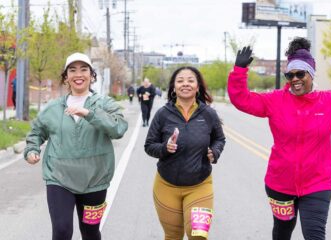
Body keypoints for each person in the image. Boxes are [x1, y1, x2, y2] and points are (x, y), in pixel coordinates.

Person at [228, 38, 331, 240]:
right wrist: (239, 71)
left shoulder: (330, 101)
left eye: (300, 74)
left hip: (317, 183)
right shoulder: (274, 101)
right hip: (280, 183)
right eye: (290, 75)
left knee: (314, 235)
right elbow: (242, 100)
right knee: (282, 234)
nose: (295, 79)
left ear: (311, 74)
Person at [24, 52, 128, 240]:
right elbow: (36, 133)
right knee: (62, 231)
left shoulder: (104, 104)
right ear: (66, 78)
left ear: (91, 75)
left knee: (90, 232)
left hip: (95, 180)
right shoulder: (53, 108)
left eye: (83, 69)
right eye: (72, 70)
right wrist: (32, 149)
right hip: (59, 178)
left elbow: (118, 128)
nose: (78, 74)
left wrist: (89, 113)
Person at [144, 66, 226, 240]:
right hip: (166, 186)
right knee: (173, 236)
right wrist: (165, 148)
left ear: (198, 86)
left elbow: (220, 139)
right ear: (174, 87)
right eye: (180, 81)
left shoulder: (209, 114)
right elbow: (149, 145)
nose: (185, 84)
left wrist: (215, 152)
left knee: (198, 235)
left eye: (190, 80)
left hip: (200, 185)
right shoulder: (163, 114)